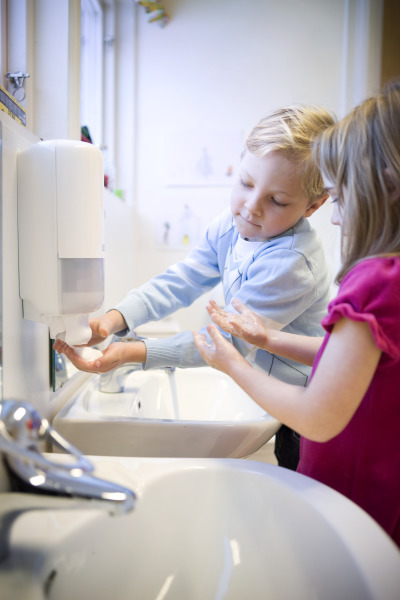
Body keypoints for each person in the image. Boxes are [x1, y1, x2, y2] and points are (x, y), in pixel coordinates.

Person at [54, 104, 335, 469]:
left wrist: (132, 353)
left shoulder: (293, 262)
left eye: (277, 200)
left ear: (313, 206)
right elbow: (183, 280)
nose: (251, 207)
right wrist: (114, 319)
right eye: (246, 183)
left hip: (302, 403)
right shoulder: (230, 225)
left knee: (300, 485)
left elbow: (227, 342)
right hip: (268, 391)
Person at [193, 79, 400, 548]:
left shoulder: (374, 284)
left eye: (340, 195)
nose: (334, 216)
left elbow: (317, 417)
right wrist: (268, 340)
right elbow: (350, 359)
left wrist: (234, 363)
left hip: (350, 501)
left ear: (382, 191)